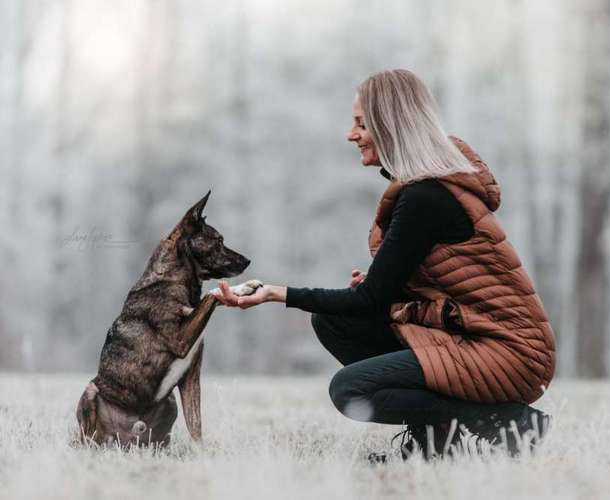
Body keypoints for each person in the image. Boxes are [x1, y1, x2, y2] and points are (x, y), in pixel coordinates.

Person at [214, 69, 556, 461]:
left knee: (351, 390)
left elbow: (371, 300)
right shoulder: (424, 190)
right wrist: (395, 287)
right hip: (477, 338)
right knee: (333, 322)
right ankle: (436, 444)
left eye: (361, 123)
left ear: (389, 125)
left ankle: (511, 424)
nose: (351, 134)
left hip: (508, 351)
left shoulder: (427, 197)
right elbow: (439, 289)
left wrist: (277, 293)